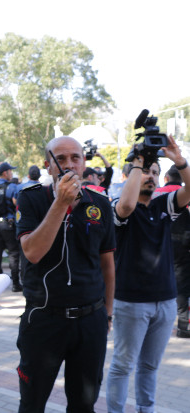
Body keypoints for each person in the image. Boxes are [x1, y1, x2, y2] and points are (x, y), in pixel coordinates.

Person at [15, 136, 115, 412]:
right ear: (48, 165)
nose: (69, 164)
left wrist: (106, 313)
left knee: (84, 404)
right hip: (45, 319)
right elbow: (32, 252)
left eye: (75, 158)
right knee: (32, 403)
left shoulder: (101, 204)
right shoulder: (32, 198)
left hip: (90, 320)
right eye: (60, 159)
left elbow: (107, 263)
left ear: (84, 163)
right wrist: (59, 204)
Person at [106, 136, 190, 413]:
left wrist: (180, 161)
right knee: (122, 365)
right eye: (145, 172)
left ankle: (146, 409)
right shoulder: (118, 206)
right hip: (131, 303)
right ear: (129, 175)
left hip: (165, 302)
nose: (150, 177)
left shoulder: (162, 205)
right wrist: (138, 163)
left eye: (155, 172)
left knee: (150, 366)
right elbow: (127, 208)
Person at [154, 165, 190, 338]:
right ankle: (183, 326)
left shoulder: (157, 192)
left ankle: (155, 321)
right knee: (182, 286)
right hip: (183, 243)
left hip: (159, 243)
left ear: (166, 177)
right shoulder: (185, 193)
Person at [0, 161, 21, 291]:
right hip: (8, 223)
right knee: (13, 253)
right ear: (5, 173)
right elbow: (16, 203)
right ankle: (15, 284)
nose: (12, 173)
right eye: (10, 171)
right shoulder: (11, 187)